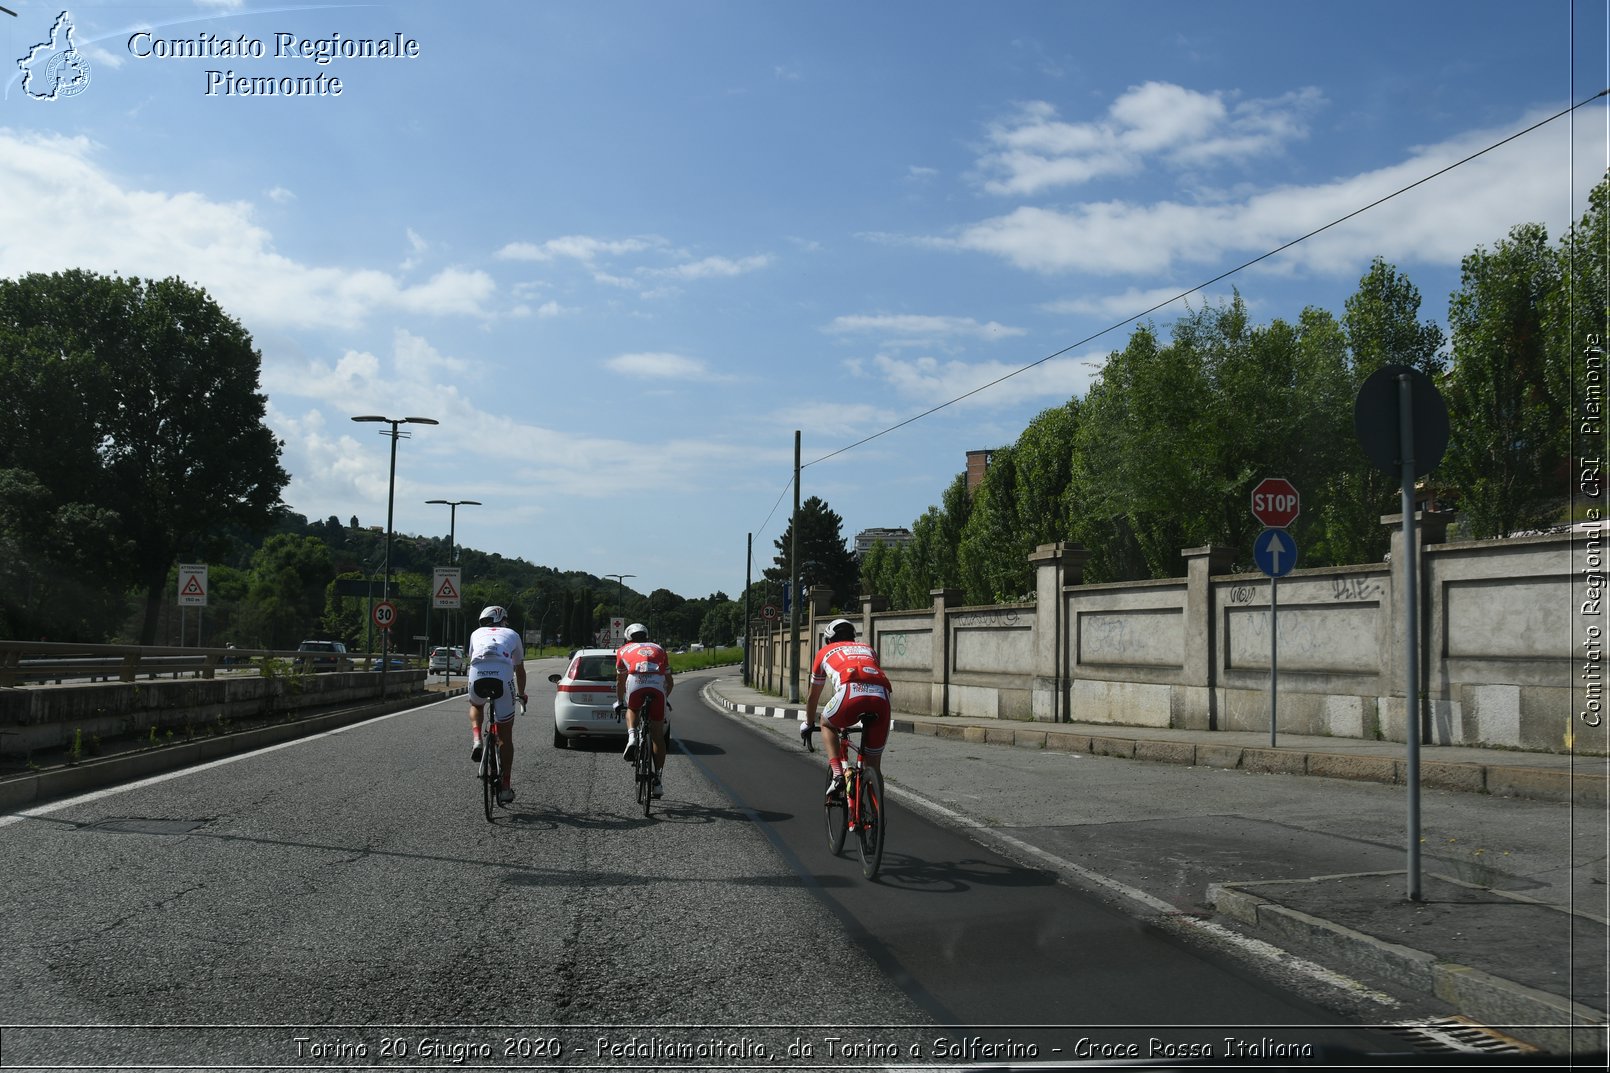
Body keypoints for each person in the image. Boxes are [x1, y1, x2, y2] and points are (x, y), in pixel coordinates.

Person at [800, 618, 892, 800]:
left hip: (850, 693)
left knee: (826, 723)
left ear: (828, 640)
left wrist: (808, 723)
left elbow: (813, 696)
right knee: (873, 766)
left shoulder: (824, 652)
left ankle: (837, 774)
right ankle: (877, 816)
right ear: (853, 637)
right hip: (882, 696)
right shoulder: (868, 648)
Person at [467, 605, 528, 804]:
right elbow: (519, 669)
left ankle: (477, 738)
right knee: (505, 735)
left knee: (476, 705)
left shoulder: (476, 633)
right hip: (503, 676)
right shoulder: (512, 633)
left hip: (478, 673)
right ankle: (505, 787)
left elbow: (472, 657)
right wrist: (521, 694)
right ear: (503, 620)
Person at [615, 622, 673, 798]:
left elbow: (620, 681)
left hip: (636, 682)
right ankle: (657, 781)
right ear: (646, 636)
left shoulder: (623, 650)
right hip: (657, 685)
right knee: (657, 736)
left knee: (632, 708)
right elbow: (669, 682)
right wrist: (665, 699)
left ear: (628, 637)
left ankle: (632, 736)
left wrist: (619, 701)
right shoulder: (659, 649)